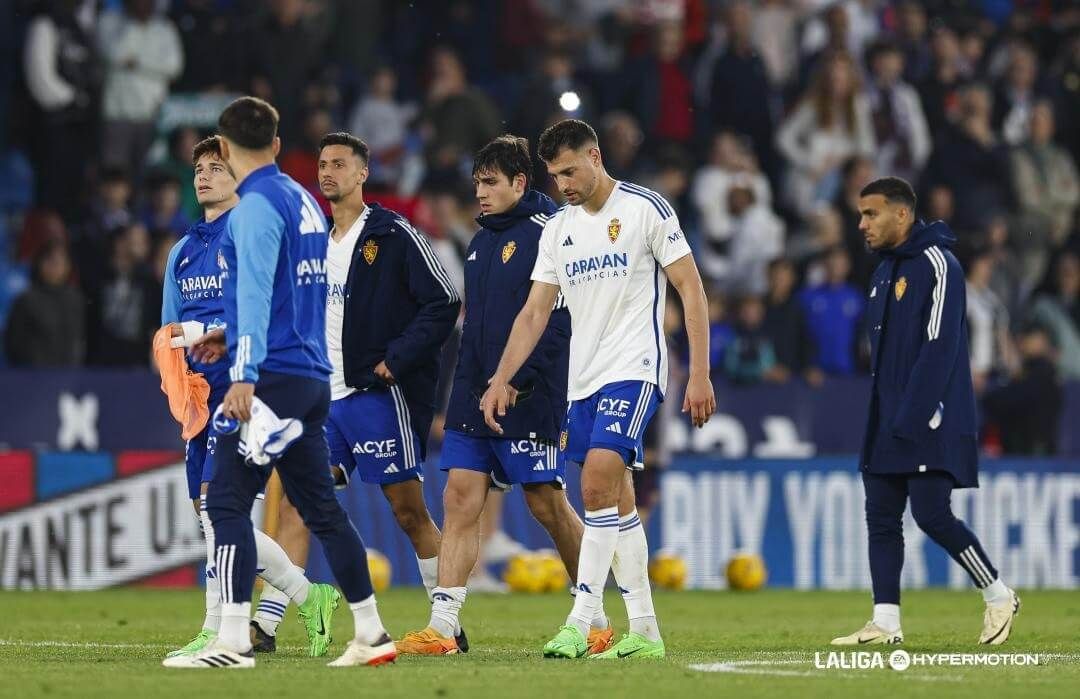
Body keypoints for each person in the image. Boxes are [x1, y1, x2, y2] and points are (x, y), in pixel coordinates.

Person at [165, 97, 394, 669]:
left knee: (223, 503)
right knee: (322, 510)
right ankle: (370, 633)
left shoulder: (253, 210)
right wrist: (225, 331)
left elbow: (256, 292)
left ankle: (233, 640)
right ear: (273, 144)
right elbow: (296, 294)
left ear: (225, 148)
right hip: (311, 377)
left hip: (271, 380)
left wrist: (242, 374)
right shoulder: (303, 202)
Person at [480, 119, 715, 660]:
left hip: (635, 367)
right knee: (618, 502)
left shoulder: (644, 209)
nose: (561, 183)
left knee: (596, 483)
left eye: (569, 170)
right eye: (554, 175)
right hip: (581, 380)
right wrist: (501, 377)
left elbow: (690, 288)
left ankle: (581, 618)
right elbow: (536, 310)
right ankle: (646, 631)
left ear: (595, 156)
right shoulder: (558, 229)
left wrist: (700, 372)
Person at [396, 135, 612, 656]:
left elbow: (559, 322)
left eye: (491, 182)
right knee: (458, 497)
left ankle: (596, 618)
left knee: (546, 504)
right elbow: (475, 330)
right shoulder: (480, 241)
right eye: (477, 183)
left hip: (529, 395)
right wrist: (463, 395)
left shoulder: (550, 232)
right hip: (476, 394)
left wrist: (521, 381)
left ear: (520, 182)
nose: (481, 193)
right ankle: (444, 627)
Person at [265, 131, 456, 640]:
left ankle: (446, 623)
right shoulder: (313, 244)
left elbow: (444, 301)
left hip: (376, 397)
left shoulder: (393, 234)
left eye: (339, 164)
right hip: (322, 399)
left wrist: (396, 360)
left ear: (363, 172)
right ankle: (267, 625)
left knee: (408, 510)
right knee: (298, 503)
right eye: (322, 164)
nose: (327, 172)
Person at [158, 135, 336, 660]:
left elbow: (268, 304)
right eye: (200, 169)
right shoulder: (183, 252)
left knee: (221, 508)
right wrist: (177, 382)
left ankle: (217, 630)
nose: (206, 176)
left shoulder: (251, 231)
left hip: (243, 381)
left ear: (238, 176)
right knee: (207, 511)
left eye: (218, 167)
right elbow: (169, 329)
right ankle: (309, 594)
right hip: (199, 391)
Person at [832, 177, 1018, 646]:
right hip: (886, 417)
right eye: (860, 214)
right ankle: (885, 621)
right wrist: (886, 416)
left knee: (932, 514)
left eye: (871, 214)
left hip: (927, 415)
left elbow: (940, 345)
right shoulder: (882, 272)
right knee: (881, 517)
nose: (862, 224)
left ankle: (998, 594)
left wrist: (918, 412)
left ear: (902, 214)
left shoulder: (939, 263)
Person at [4, 240, 85, 367]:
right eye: (50, 261)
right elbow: (13, 344)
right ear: (39, 264)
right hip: (32, 377)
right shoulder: (25, 300)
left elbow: (79, 339)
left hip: (68, 378)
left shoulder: (75, 298)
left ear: (68, 266)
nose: (55, 267)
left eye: (60, 262)